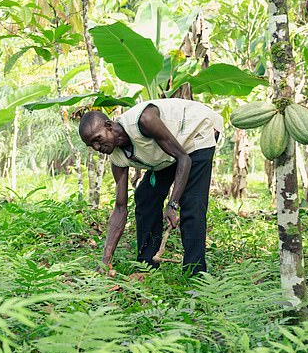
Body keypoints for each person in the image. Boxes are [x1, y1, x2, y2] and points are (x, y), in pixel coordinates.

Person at [78, 99, 223, 275]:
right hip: (170, 150)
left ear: (109, 125)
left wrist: (172, 205)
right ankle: (147, 267)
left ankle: (196, 274)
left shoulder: (143, 120)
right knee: (145, 197)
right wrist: (105, 260)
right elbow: (120, 207)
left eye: (97, 139)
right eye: (91, 145)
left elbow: (184, 159)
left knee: (192, 204)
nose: (96, 147)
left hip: (197, 132)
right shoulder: (117, 158)